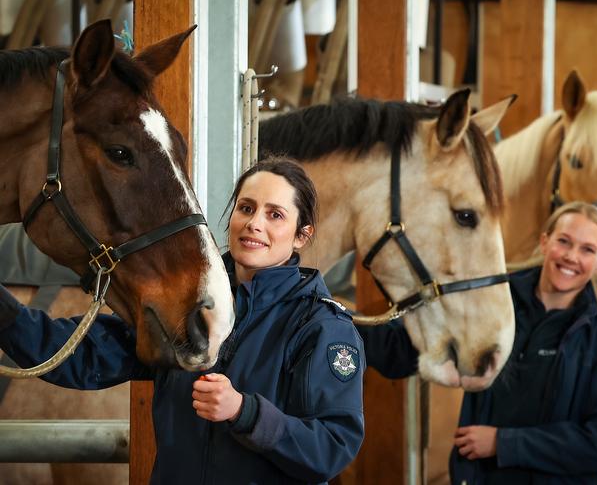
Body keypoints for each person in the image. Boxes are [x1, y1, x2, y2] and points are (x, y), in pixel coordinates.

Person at [0, 157, 365, 485]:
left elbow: (330, 450)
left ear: (302, 236)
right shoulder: (184, 305)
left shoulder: (321, 327)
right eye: (246, 208)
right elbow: (81, 355)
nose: (254, 224)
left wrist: (244, 412)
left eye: (275, 215)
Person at [357, 201, 597, 485]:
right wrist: (338, 323)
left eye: (587, 249)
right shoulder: (490, 302)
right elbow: (404, 349)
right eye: (563, 241)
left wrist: (503, 443)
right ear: (544, 241)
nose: (571, 256)